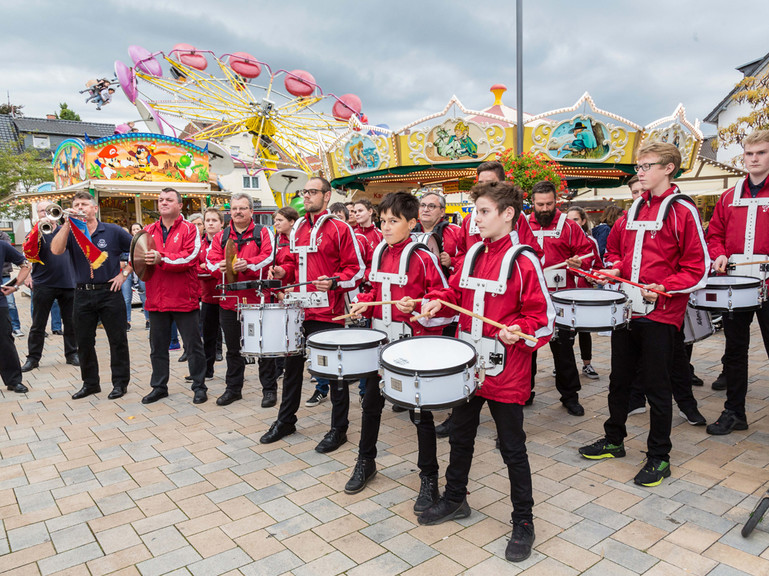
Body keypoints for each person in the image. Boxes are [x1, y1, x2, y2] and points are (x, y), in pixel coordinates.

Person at [418, 181, 554, 564]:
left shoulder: (524, 259)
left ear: (507, 214)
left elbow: (544, 319)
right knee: (460, 437)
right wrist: (432, 302)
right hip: (468, 367)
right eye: (474, 211)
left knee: (512, 448)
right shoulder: (473, 252)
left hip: (506, 372)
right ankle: (455, 498)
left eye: (483, 211)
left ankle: (523, 521)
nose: (475, 219)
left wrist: (522, 330)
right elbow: (456, 296)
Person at [579, 142, 709, 487]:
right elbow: (618, 252)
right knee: (619, 381)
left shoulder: (683, 210)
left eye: (647, 165)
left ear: (669, 168)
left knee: (656, 386)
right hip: (628, 312)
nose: (640, 172)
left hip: (662, 315)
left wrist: (663, 287)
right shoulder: (633, 208)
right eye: (638, 166)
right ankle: (614, 439)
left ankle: (659, 456)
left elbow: (698, 267)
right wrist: (613, 269)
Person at [344, 192, 451, 512]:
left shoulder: (422, 256)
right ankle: (366, 461)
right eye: (383, 221)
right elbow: (373, 289)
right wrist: (365, 300)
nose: (386, 227)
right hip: (380, 345)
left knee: (421, 415)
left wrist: (419, 305)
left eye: (393, 221)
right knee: (370, 405)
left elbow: (444, 300)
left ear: (412, 223)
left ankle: (429, 478)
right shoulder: (377, 252)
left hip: (411, 348)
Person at [261, 176, 364, 453]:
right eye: (304, 191)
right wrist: (284, 271)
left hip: (328, 312)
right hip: (298, 308)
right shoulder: (296, 230)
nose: (306, 196)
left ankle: (339, 428)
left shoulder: (340, 228)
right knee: (292, 368)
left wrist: (333, 281)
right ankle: (285, 421)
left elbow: (356, 270)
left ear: (327, 196)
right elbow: (293, 264)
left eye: (312, 191)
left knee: (334, 372)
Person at [705, 130, 769, 435]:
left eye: (761, 153)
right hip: (735, 283)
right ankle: (734, 412)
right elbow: (714, 234)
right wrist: (718, 254)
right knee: (735, 349)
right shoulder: (729, 197)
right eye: (749, 153)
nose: (754, 159)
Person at [50, 192, 133, 400]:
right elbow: (56, 250)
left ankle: (120, 384)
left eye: (84, 204)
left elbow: (138, 250)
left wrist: (124, 274)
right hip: (82, 293)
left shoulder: (112, 231)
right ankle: (90, 384)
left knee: (118, 340)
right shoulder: (69, 231)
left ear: (94, 209)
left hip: (109, 292)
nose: (80, 207)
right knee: (84, 342)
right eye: (76, 204)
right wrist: (67, 224)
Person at [528, 181, 594, 416]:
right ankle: (525, 392)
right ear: (532, 202)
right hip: (531, 298)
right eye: (540, 204)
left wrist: (580, 262)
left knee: (564, 349)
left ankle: (570, 396)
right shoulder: (522, 224)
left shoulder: (569, 225)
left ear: (557, 201)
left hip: (561, 297)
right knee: (527, 348)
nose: (545, 209)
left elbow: (588, 252)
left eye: (549, 203)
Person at [206, 193, 274, 406]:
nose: (237, 212)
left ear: (251, 211)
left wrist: (249, 264)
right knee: (233, 349)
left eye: (242, 208)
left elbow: (269, 256)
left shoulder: (263, 232)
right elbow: (210, 260)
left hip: (257, 300)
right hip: (229, 302)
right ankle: (233, 389)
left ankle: (269, 390)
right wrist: (220, 266)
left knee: (263, 348)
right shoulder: (221, 236)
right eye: (234, 209)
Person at [141, 187, 207, 405]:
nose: (163, 203)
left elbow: (190, 257)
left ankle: (199, 386)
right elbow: (139, 258)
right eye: (160, 200)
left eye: (169, 200)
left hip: (183, 298)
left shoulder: (190, 229)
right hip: (156, 298)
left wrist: (162, 258)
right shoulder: (148, 230)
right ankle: (159, 387)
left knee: (193, 346)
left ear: (180, 205)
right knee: (157, 348)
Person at [21, 201, 79, 372]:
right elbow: (28, 253)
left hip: (68, 282)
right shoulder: (34, 233)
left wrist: (71, 219)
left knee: (70, 322)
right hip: (43, 283)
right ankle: (33, 358)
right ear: (36, 214)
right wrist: (37, 229)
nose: (46, 214)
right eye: (41, 211)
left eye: (49, 211)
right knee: (38, 324)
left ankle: (72, 353)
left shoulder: (65, 230)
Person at [186, 208, 224, 384]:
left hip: (227, 297)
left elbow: (223, 270)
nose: (210, 223)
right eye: (207, 220)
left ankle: (235, 374)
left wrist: (206, 268)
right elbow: (194, 267)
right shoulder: (199, 244)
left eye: (214, 220)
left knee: (233, 340)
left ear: (221, 223)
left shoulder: (227, 243)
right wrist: (207, 268)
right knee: (207, 337)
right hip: (208, 297)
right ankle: (207, 370)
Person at [565, 206, 601, 380]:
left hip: (584, 291)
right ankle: (565, 365)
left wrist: (592, 276)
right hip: (568, 292)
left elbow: (598, 266)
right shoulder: (563, 239)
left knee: (584, 330)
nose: (573, 224)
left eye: (576, 220)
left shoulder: (591, 241)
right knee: (566, 332)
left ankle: (587, 364)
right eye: (569, 220)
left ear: (584, 221)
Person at [0, 238, 31, 393]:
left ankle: (13, 381)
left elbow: (25, 265)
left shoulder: (2, 245)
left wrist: (15, 285)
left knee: (5, 341)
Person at [0, 230, 23, 337]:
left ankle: (15, 327)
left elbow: (7, 252)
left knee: (10, 303)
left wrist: (16, 286)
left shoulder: (3, 236)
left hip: (4, 274)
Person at [130, 222, 150, 330]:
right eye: (134, 229)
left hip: (145, 272)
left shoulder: (146, 241)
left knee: (146, 297)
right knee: (139, 298)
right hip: (134, 274)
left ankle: (149, 320)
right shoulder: (130, 243)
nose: (136, 231)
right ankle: (145, 319)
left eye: (138, 228)